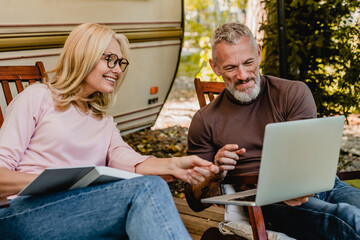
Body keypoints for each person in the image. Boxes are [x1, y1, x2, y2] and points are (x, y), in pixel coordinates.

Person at [0, 23, 219, 240]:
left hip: (76, 212)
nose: (117, 69)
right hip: (23, 215)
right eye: (110, 59)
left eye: (120, 62)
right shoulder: (38, 97)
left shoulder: (102, 120)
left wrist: (175, 164)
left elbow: (129, 160)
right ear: (83, 56)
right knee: (144, 191)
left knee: (149, 191)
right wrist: (54, 182)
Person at [185, 22, 360, 240]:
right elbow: (194, 202)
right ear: (215, 67)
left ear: (258, 53)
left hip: (321, 184)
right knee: (349, 219)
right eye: (230, 67)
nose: (242, 75)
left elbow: (307, 157)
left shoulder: (292, 93)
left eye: (248, 62)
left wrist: (300, 184)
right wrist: (215, 174)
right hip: (266, 200)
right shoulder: (205, 120)